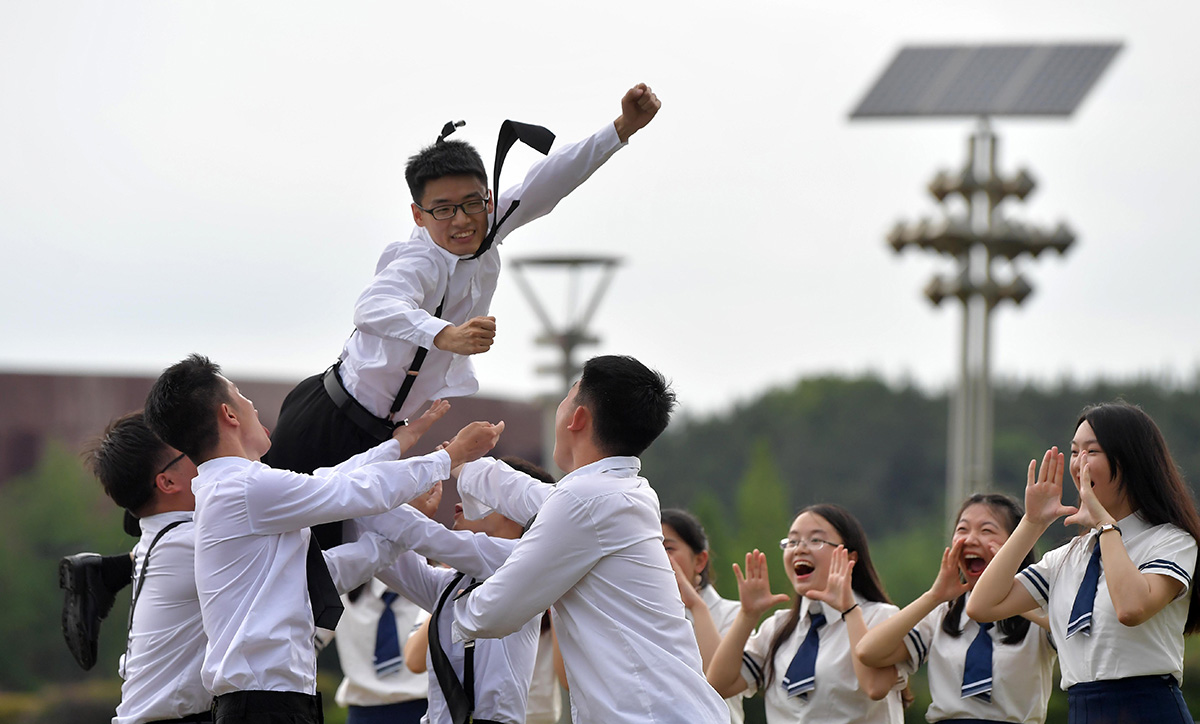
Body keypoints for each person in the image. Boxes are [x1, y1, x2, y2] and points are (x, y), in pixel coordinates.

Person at [264, 83, 662, 505]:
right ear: (418, 215)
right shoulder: (418, 261)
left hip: (382, 434)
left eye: (472, 204)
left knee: (345, 562)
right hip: (330, 419)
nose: (461, 221)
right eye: (443, 209)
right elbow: (372, 306)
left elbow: (549, 181)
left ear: (489, 200)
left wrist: (621, 128)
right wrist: (444, 335)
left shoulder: (490, 225)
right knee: (282, 552)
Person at [142, 354, 503, 724]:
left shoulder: (235, 489)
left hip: (267, 702)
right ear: (229, 415)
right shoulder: (245, 488)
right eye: (241, 396)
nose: (251, 404)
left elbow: (328, 482)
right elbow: (346, 489)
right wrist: (449, 457)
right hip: (265, 705)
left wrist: (399, 445)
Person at [450, 354, 729, 723]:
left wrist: (447, 604)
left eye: (567, 397)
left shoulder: (585, 500)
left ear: (578, 418)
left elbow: (493, 613)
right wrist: (461, 466)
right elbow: (539, 499)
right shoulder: (623, 491)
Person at [967, 402, 1200, 723]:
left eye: (1092, 452)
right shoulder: (1068, 556)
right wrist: (1033, 523)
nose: (1079, 464)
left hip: (1148, 708)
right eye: (1075, 452)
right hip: (1083, 710)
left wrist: (1106, 526)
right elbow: (982, 605)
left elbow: (1131, 608)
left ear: (1131, 460)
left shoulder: (1170, 541)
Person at [857, 494, 1056, 723]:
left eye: (986, 531)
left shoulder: (1038, 614)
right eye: (963, 529)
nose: (970, 539)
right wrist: (933, 597)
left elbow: (1070, 635)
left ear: (1016, 543)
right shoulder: (942, 615)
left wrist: (1010, 600)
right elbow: (868, 652)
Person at [707, 504, 908, 723]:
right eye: (792, 541)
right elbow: (718, 686)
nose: (799, 549)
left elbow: (874, 687)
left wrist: (849, 611)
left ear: (850, 558)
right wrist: (747, 615)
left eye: (816, 540)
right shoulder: (777, 627)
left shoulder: (879, 618)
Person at [82, 411, 210, 724]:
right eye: (192, 451)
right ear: (167, 481)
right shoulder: (189, 542)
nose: (207, 455)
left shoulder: (167, 536)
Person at [662, 508, 745, 724]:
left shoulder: (733, 615)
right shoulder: (640, 616)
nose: (658, 558)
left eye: (668, 548)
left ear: (700, 561)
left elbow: (716, 683)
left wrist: (696, 606)